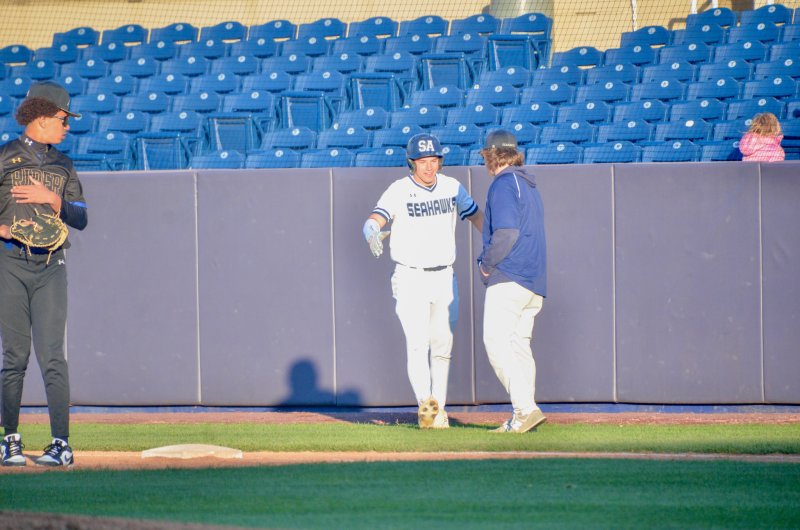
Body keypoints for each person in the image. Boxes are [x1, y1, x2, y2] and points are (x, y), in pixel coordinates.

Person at [363, 133, 482, 429]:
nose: (429, 167)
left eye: (433, 160)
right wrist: (370, 232)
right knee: (417, 343)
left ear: (440, 161)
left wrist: (494, 240)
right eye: (422, 161)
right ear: (412, 163)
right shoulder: (399, 189)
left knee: (442, 345)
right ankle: (425, 406)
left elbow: (476, 216)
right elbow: (374, 219)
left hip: (444, 275)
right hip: (410, 275)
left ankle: (437, 409)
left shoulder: (452, 187)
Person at [0, 81, 88, 467]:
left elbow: (82, 217)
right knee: (14, 356)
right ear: (39, 116)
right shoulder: (4, 158)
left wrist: (54, 200)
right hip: (11, 263)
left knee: (53, 356)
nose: (67, 126)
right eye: (62, 118)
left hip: (51, 265)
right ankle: (10, 441)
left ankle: (61, 444)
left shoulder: (63, 165)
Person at [478, 129, 547, 434]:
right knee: (519, 346)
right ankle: (525, 415)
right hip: (534, 280)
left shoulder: (504, 184)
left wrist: (486, 263)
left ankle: (524, 409)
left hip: (510, 276)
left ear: (491, 155)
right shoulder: (529, 185)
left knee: (496, 342)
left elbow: (506, 233)